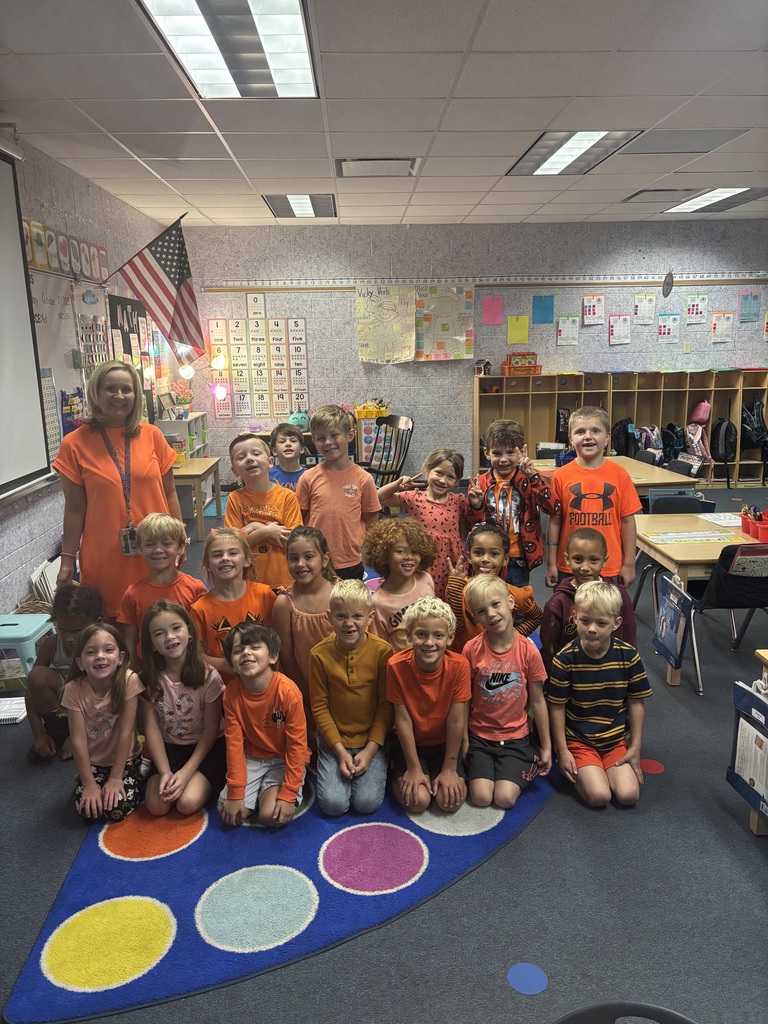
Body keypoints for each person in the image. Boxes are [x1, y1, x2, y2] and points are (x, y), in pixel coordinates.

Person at [53, 359, 182, 619]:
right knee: (113, 626)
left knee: (161, 621)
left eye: (127, 389)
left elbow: (170, 493)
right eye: (111, 389)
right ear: (96, 393)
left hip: (155, 549)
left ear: (136, 394)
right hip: (104, 553)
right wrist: (67, 558)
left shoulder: (152, 435)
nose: (120, 396)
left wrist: (180, 541)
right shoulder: (74, 443)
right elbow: (75, 509)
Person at [547, 580, 652, 808]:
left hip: (615, 740)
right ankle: (588, 769)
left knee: (628, 795)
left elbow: (636, 702)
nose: (592, 629)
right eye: (585, 621)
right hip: (579, 740)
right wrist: (562, 750)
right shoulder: (565, 660)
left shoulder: (628, 655)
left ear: (616, 623)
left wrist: (635, 746)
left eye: (601, 623)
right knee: (599, 796)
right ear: (575, 617)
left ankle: (601, 768)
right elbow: (556, 706)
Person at [462, 575, 551, 809]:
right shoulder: (471, 649)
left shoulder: (529, 651)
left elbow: (538, 701)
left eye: (495, 604)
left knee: (504, 799)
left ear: (511, 603)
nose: (490, 614)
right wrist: (463, 739)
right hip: (480, 736)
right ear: (476, 617)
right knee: (481, 798)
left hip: (516, 737)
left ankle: (526, 758)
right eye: (481, 611)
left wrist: (547, 745)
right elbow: (463, 699)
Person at [308, 580, 393, 816]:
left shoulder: (383, 652)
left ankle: (382, 758)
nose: (349, 623)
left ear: (370, 617)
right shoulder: (318, 655)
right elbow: (319, 706)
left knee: (367, 803)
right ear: (329, 617)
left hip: (371, 741)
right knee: (333, 805)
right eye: (340, 616)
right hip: (334, 741)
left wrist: (370, 750)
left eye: (357, 616)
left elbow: (385, 705)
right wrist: (339, 751)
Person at [139, 600, 226, 816]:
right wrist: (165, 771)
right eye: (159, 633)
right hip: (170, 749)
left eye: (176, 628)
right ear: (150, 643)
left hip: (208, 748)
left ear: (189, 631)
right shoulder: (149, 678)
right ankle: (169, 776)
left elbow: (211, 729)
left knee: (187, 803)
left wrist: (186, 773)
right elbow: (151, 729)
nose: (170, 637)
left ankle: (201, 780)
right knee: (156, 807)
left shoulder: (209, 676)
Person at [218, 622, 308, 829]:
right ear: (232, 664)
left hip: (284, 758)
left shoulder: (288, 692)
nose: (246, 653)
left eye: (254, 647)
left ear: (273, 657)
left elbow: (297, 746)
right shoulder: (231, 693)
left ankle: (274, 790)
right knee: (230, 814)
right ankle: (256, 791)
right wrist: (236, 791)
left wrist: (289, 793)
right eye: (238, 650)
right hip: (252, 758)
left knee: (271, 816)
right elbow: (234, 745)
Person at [387, 597, 471, 814]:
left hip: (445, 743)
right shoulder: (395, 666)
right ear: (408, 635)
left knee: (448, 801)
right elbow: (402, 720)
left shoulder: (459, 666)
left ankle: (438, 772)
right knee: (418, 802)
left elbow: (456, 719)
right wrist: (414, 768)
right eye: (421, 634)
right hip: (410, 743)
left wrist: (450, 767)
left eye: (438, 635)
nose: (429, 643)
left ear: (450, 638)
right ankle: (400, 771)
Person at [546, 406, 642, 589]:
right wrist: (551, 563)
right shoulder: (561, 476)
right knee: (568, 615)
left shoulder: (620, 475)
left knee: (605, 615)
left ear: (607, 437)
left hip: (608, 566)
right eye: (580, 431)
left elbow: (628, 522)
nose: (588, 436)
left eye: (595, 431)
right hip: (570, 566)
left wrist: (629, 564)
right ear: (571, 439)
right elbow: (555, 522)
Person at [60, 622, 144, 822]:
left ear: (120, 658)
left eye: (108, 650)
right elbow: (78, 739)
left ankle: (139, 773)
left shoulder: (129, 680)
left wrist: (116, 778)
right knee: (88, 811)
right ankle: (88, 783)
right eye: (91, 652)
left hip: (125, 760)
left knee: (117, 810)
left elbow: (126, 731)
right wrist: (89, 783)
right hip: (94, 763)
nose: (100, 656)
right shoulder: (73, 689)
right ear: (80, 663)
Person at [467, 418, 559, 587]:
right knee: (487, 600)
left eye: (510, 452)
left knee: (518, 603)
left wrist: (533, 477)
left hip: (518, 557)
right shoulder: (479, 482)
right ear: (486, 453)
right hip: (489, 557)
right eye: (497, 453)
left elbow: (553, 507)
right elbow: (474, 524)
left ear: (521, 452)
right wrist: (476, 505)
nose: (503, 459)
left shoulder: (530, 479)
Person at [296, 405, 381, 580]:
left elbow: (372, 521)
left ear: (349, 435)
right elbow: (299, 519)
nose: (327, 442)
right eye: (320, 438)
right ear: (314, 440)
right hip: (315, 558)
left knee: (348, 605)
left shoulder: (363, 479)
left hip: (349, 560)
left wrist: (372, 553)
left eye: (334, 435)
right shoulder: (308, 478)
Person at [540, 527, 637, 675]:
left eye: (593, 560)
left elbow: (629, 638)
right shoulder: (557, 603)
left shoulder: (619, 596)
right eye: (578, 559)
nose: (585, 567)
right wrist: (552, 682)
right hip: (572, 677)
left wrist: (630, 673)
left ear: (604, 561)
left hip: (612, 675)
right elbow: (549, 647)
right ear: (567, 559)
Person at [25, 585, 103, 765]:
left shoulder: (102, 647)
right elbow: (31, 690)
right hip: (64, 705)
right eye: (62, 629)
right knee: (37, 677)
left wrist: (77, 735)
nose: (68, 638)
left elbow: (108, 692)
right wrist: (39, 735)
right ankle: (58, 733)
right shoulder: (51, 645)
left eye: (77, 631)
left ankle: (82, 735)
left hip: (94, 707)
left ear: (97, 623)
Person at [271, 526, 338, 737]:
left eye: (308, 557)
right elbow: (287, 657)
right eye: (293, 558)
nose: (300, 564)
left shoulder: (340, 594)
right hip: (305, 688)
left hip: (341, 685)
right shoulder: (284, 604)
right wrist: (306, 696)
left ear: (324, 559)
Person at [377, 447, 469, 599]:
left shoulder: (458, 500)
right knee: (419, 596)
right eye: (439, 473)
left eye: (450, 477)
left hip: (448, 561)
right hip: (421, 559)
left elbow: (468, 525)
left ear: (457, 481)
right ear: (428, 469)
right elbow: (378, 498)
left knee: (448, 597)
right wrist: (396, 485)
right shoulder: (414, 498)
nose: (442, 480)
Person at [117, 512, 205, 668]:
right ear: (140, 548)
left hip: (190, 669)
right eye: (150, 544)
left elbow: (202, 637)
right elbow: (130, 643)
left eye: (166, 543)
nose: (158, 550)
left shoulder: (195, 588)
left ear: (181, 547)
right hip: (151, 673)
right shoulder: (132, 594)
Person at [190, 527, 276, 684]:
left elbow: (278, 638)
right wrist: (224, 664)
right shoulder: (200, 609)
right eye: (217, 555)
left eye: (233, 553)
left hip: (265, 683)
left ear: (246, 560)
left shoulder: (264, 594)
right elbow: (195, 655)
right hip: (224, 687)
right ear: (208, 564)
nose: (225, 558)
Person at [444, 523, 542, 651]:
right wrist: (455, 585)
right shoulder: (459, 589)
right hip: (467, 661)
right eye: (478, 553)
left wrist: (514, 636)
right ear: (469, 557)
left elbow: (536, 616)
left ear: (506, 559)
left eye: (494, 554)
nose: (485, 559)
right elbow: (455, 627)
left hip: (502, 661)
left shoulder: (510, 592)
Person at [224, 432, 302, 589]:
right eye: (241, 457)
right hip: (249, 582)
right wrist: (263, 531)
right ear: (235, 470)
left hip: (285, 580)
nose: (250, 459)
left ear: (270, 462)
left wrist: (249, 530)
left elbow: (295, 545)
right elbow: (231, 546)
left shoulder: (288, 497)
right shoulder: (235, 498)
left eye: (256, 453)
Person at [362, 518, 436, 651]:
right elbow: (378, 647)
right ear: (384, 555)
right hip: (402, 668)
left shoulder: (426, 580)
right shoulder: (378, 602)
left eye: (414, 552)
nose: (409, 557)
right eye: (400, 551)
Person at [269, 422, 307, 492]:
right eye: (282, 441)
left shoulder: (309, 475)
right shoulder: (267, 475)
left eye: (293, 441)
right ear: (274, 450)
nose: (288, 444)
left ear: (301, 449)